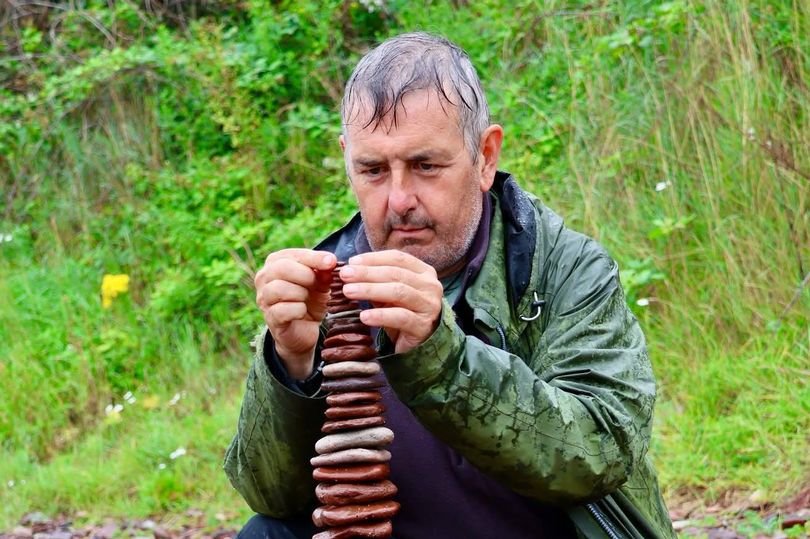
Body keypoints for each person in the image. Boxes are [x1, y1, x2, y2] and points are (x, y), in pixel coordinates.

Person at [224, 32, 676, 539]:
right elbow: (270, 494)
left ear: (484, 156)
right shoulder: (326, 287)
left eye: (425, 166)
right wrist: (291, 365)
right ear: (347, 159)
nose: (399, 199)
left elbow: (601, 450)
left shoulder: (561, 268)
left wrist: (440, 354)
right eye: (372, 169)